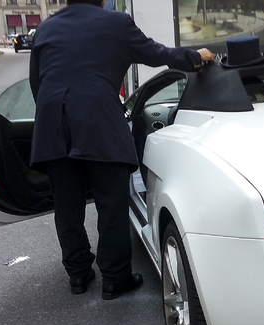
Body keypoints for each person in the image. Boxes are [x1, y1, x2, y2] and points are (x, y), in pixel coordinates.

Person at [29, 0, 214, 300]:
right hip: (100, 123)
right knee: (111, 204)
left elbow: (38, 85)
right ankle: (115, 278)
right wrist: (196, 56)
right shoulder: (116, 23)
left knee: (67, 206)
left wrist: (59, 114)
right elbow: (159, 54)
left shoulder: (46, 29)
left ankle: (77, 274)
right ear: (101, 0)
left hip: (53, 127)